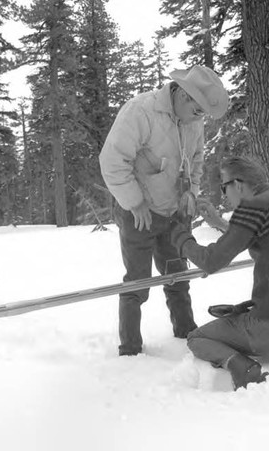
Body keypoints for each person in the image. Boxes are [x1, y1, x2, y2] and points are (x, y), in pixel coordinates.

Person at [99, 66, 229, 356]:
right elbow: (112, 161)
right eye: (197, 111)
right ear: (182, 95)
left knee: (177, 276)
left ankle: (186, 332)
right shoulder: (139, 112)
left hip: (175, 213)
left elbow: (195, 161)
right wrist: (135, 202)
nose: (200, 118)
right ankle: (130, 348)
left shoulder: (193, 120)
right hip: (138, 215)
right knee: (138, 282)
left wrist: (190, 194)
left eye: (203, 114)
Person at [170, 156, 269, 390]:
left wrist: (180, 236)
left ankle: (243, 368)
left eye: (224, 187)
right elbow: (262, 237)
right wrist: (218, 221)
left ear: (238, 185)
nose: (224, 196)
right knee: (241, 317)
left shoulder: (253, 206)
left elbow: (211, 261)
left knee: (197, 338)